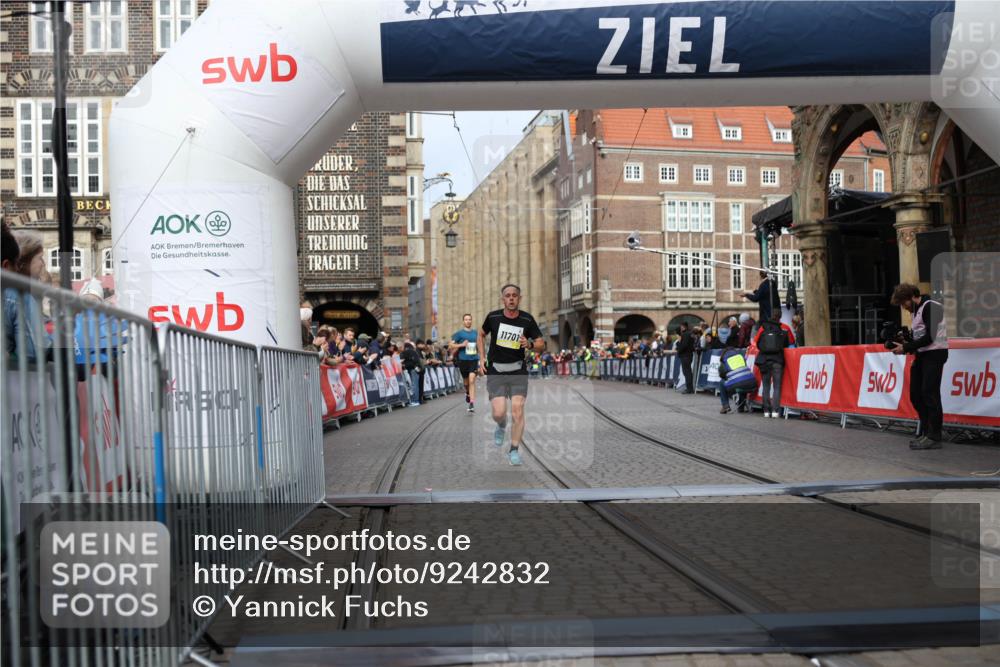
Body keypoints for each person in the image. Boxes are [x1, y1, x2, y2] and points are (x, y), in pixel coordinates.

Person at [478, 283, 544, 466]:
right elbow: (481, 334)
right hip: (496, 371)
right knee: (499, 413)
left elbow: (541, 344)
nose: (511, 298)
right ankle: (500, 425)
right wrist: (481, 358)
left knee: (517, 411)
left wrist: (529, 345)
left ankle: (514, 449)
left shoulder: (527, 320)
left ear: (519, 298)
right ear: (503, 299)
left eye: (515, 295)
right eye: (508, 295)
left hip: (517, 370)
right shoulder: (493, 317)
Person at [890, 284, 949, 449]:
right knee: (916, 395)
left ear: (912, 297)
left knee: (929, 393)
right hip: (923, 354)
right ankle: (927, 429)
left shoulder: (931, 306)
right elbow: (921, 338)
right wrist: (906, 344)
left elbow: (930, 337)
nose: (904, 308)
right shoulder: (917, 310)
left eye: (904, 303)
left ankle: (934, 436)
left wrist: (906, 347)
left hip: (935, 353)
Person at [5, 229, 51, 361]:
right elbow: (34, 353)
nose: (43, 264)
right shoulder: (21, 297)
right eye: (40, 258)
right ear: (22, 264)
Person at [750, 309, 795, 418]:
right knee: (777, 387)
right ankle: (775, 411)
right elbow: (791, 343)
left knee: (766, 386)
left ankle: (766, 411)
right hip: (777, 360)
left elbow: (756, 341)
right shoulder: (785, 328)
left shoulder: (763, 327)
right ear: (780, 316)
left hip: (764, 360)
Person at [449, 313, 480, 413]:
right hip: (463, 360)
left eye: (470, 319)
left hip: (474, 359)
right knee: (466, 383)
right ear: (463, 321)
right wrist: (462, 344)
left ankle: (471, 403)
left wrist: (481, 358)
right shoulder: (459, 334)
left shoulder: (475, 333)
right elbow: (450, 345)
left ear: (471, 321)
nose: (468, 321)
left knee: (472, 380)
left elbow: (479, 345)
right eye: (466, 319)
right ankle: (467, 392)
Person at [717, 340, 757, 414]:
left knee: (722, 383)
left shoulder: (725, 360)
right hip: (752, 383)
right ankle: (741, 408)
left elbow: (722, 375)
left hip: (739, 384)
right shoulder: (740, 357)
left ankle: (725, 405)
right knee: (742, 381)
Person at [400, 340, 423, 406]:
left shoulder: (405, 352)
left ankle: (415, 401)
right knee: (416, 385)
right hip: (417, 369)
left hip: (412, 369)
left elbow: (401, 361)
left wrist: (403, 364)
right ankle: (417, 400)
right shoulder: (414, 351)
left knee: (414, 385)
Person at [675, 322, 695, 393]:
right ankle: (689, 388)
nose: (680, 328)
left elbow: (684, 345)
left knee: (687, 372)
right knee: (687, 372)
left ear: (683, 327)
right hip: (688, 355)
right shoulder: (690, 334)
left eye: (681, 327)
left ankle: (689, 389)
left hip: (685, 355)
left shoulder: (686, 334)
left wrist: (679, 349)